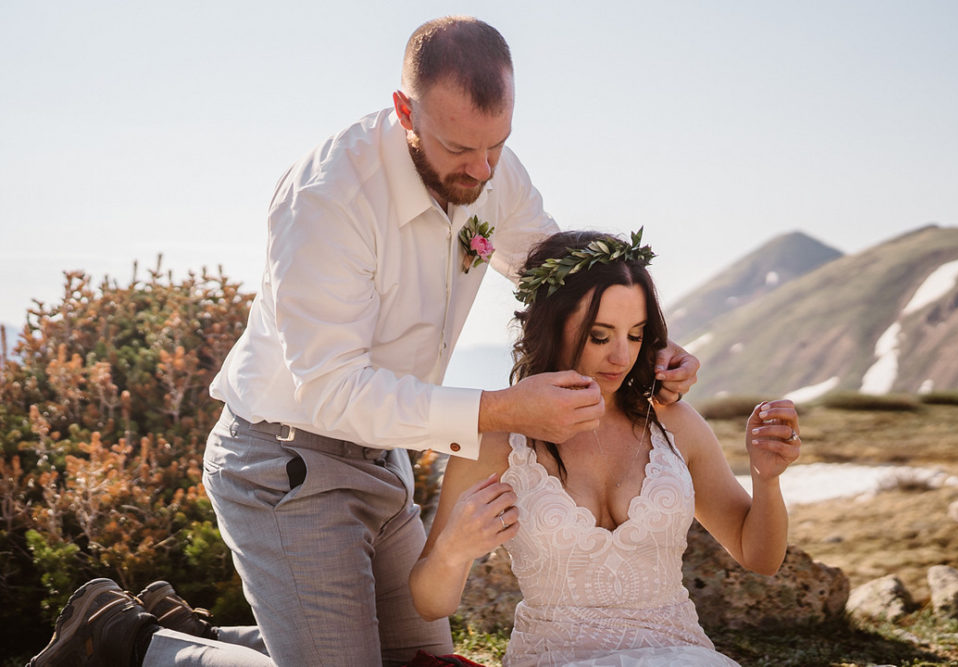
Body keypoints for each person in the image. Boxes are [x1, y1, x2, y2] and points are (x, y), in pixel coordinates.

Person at [27, 16, 699, 667]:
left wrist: (651, 348)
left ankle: (218, 629)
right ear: (405, 112)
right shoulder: (327, 200)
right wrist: (503, 408)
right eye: (460, 149)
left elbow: (558, 276)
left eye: (497, 144)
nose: (482, 170)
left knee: (427, 665)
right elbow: (332, 388)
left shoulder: (491, 165)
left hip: (385, 460)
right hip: (284, 462)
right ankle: (133, 638)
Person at [410, 229, 801, 666]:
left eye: (635, 335)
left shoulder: (674, 424)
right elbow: (431, 604)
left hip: (680, 656)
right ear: (551, 327)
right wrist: (453, 550)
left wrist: (767, 479)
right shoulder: (498, 440)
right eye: (600, 336)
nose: (621, 357)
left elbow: (760, 557)